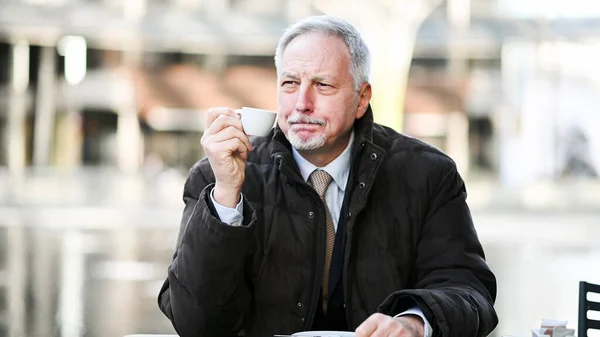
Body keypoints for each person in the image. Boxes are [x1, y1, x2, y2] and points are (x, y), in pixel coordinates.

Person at [158, 15, 498, 337]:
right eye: (290, 83)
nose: (302, 103)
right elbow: (196, 324)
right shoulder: (217, 176)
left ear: (361, 98)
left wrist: (415, 320)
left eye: (322, 85)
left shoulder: (427, 174)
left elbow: (470, 291)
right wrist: (227, 198)